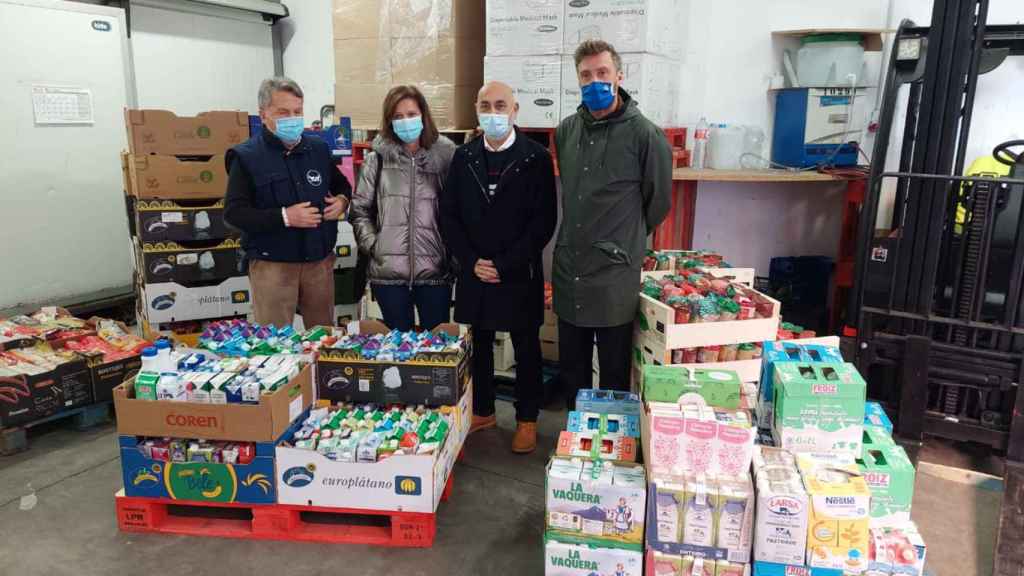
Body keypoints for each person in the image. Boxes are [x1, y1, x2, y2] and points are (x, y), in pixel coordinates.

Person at [554, 40, 672, 408]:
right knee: (572, 371)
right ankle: (576, 433)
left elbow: (658, 204)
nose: (594, 82)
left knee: (614, 374)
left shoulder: (646, 135)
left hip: (614, 276)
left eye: (602, 73)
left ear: (619, 76)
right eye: (585, 75)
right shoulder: (566, 131)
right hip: (570, 271)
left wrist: (622, 239)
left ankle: (613, 439)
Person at [440, 81, 557, 453]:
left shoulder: (535, 157)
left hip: (518, 271)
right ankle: (484, 410)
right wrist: (471, 261)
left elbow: (543, 222)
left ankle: (527, 420)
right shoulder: (464, 157)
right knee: (480, 343)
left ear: (515, 110)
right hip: (475, 269)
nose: (493, 113)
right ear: (476, 109)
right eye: (486, 105)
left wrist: (504, 264)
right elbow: (449, 216)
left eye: (501, 105)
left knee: (526, 346)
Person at [224, 76, 350, 329]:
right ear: (264, 115)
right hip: (273, 265)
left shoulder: (318, 149)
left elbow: (341, 184)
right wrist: (284, 216)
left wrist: (342, 201)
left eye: (297, 111)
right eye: (283, 112)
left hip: (318, 263)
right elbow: (234, 213)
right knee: (275, 340)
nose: (292, 118)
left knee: (324, 337)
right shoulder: (246, 157)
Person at [350, 85, 457, 331]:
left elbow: (458, 210)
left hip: (435, 272)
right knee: (397, 346)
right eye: (398, 116)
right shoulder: (376, 159)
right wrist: (375, 246)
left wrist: (451, 254)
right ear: (389, 121)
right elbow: (360, 211)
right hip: (388, 276)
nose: (405, 121)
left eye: (411, 114)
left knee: (437, 345)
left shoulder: (446, 158)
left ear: (423, 115)